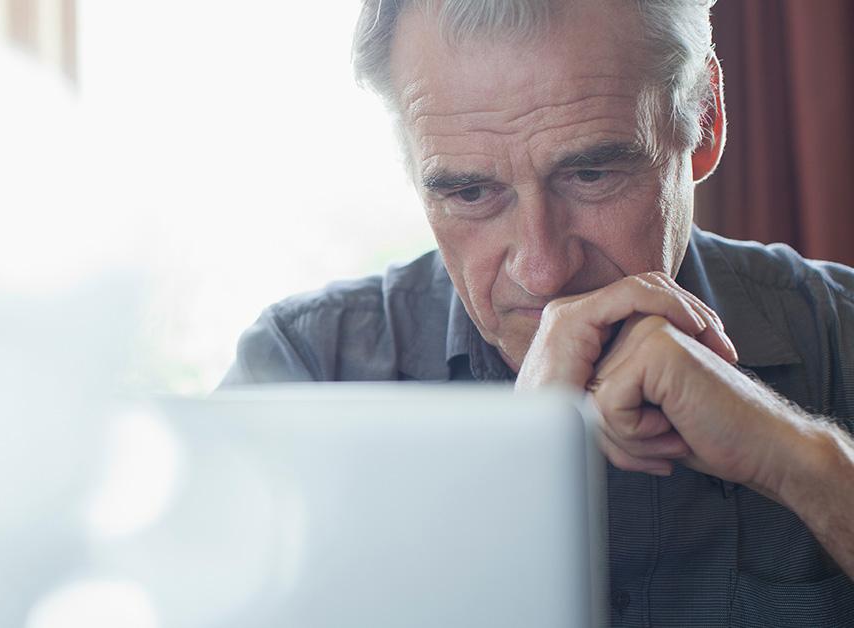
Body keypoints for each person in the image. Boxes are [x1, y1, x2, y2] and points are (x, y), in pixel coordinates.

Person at [222, 0, 854, 624]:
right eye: (471, 193)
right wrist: (519, 474)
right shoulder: (303, 371)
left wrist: (800, 463)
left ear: (705, 119)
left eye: (592, 174)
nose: (543, 271)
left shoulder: (840, 331)